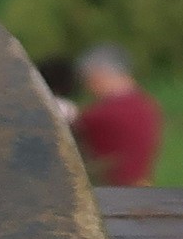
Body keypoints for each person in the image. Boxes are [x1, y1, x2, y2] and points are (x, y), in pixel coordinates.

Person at [69, 43, 161, 186]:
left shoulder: (105, 113)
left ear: (99, 74)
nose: (88, 87)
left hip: (109, 192)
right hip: (140, 188)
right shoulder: (146, 106)